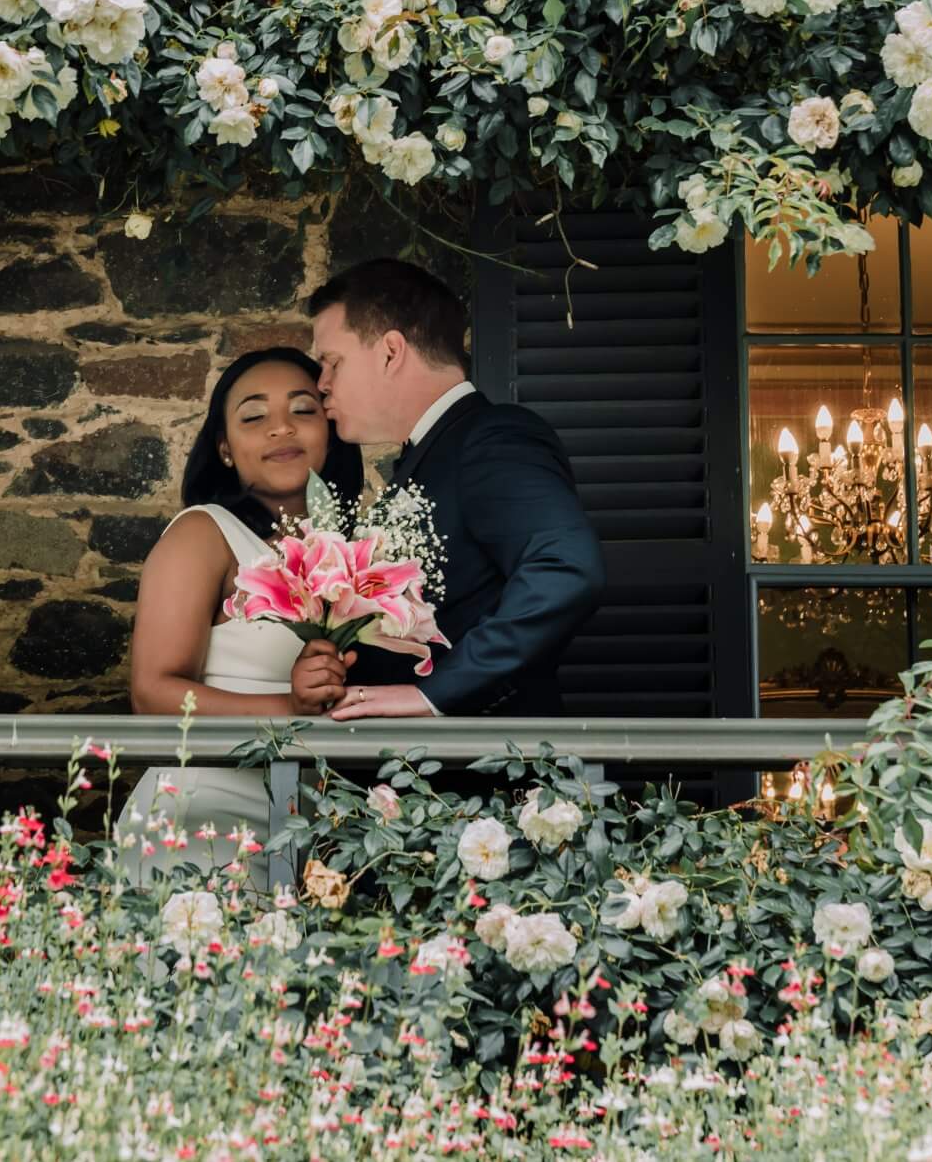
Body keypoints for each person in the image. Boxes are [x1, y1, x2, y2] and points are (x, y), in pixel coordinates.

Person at [306, 257, 605, 720]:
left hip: (476, 772)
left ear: (390, 351)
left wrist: (434, 695)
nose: (322, 384)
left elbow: (565, 568)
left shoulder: (493, 438)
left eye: (332, 362)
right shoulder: (429, 454)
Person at [115, 347, 363, 877]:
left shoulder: (356, 552)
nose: (281, 429)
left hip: (318, 830)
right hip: (205, 817)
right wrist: (291, 706)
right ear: (225, 449)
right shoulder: (204, 533)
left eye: (303, 410)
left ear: (331, 428)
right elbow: (152, 693)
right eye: (254, 416)